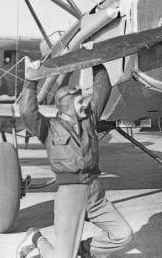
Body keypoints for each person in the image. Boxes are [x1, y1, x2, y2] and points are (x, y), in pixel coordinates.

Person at [16, 62, 133, 258]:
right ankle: (36, 239)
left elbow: (102, 87)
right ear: (65, 107)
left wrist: (95, 59)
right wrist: (30, 81)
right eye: (79, 102)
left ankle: (82, 251)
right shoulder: (49, 128)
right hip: (70, 196)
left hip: (96, 193)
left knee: (123, 234)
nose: (85, 104)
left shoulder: (90, 118)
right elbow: (28, 112)